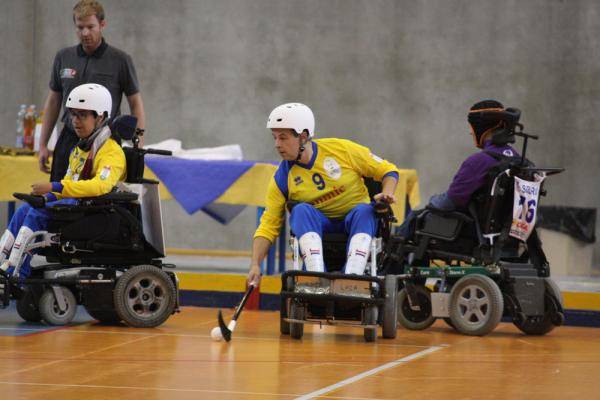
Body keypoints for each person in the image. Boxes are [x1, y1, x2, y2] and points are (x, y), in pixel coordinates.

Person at [247, 103, 399, 286]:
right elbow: (268, 225)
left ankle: (352, 280)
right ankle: (316, 277)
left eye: (283, 138)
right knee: (300, 210)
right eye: (275, 138)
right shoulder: (282, 178)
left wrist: (387, 193)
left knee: (366, 211)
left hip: (355, 219)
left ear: (303, 137)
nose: (277, 145)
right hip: (319, 224)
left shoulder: (342, 150)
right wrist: (255, 265)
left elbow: (388, 170)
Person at [0, 83, 126, 280]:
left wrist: (54, 186)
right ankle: (2, 262)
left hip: (96, 212)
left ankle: (16, 273)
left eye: (82, 115)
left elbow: (101, 186)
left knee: (36, 212)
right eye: (73, 115)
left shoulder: (111, 152)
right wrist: (46, 197)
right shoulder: (80, 149)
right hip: (77, 205)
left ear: (100, 117)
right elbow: (69, 185)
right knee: (25, 209)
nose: (75, 121)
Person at [38, 0, 145, 182]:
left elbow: (135, 103)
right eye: (80, 27)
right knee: (58, 195)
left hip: (105, 140)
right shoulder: (63, 57)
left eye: (90, 27)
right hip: (70, 138)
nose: (85, 33)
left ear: (102, 25)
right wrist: (42, 144)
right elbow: (54, 101)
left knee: (98, 197)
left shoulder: (120, 60)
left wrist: (138, 146)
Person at [397, 99, 521, 237]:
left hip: (472, 234)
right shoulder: (519, 160)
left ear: (481, 129)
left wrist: (432, 200)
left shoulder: (479, 161)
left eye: (471, 128)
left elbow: (448, 203)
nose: (471, 133)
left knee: (415, 218)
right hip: (506, 234)